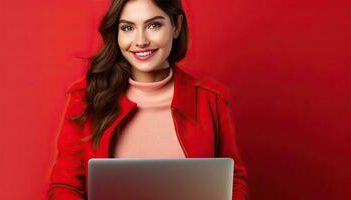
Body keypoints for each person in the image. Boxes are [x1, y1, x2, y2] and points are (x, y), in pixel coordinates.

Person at [48, 0, 249, 199]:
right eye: (128, 28)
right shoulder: (85, 98)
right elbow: (65, 187)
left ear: (176, 26)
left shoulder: (211, 100)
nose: (141, 40)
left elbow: (234, 182)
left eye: (154, 25)